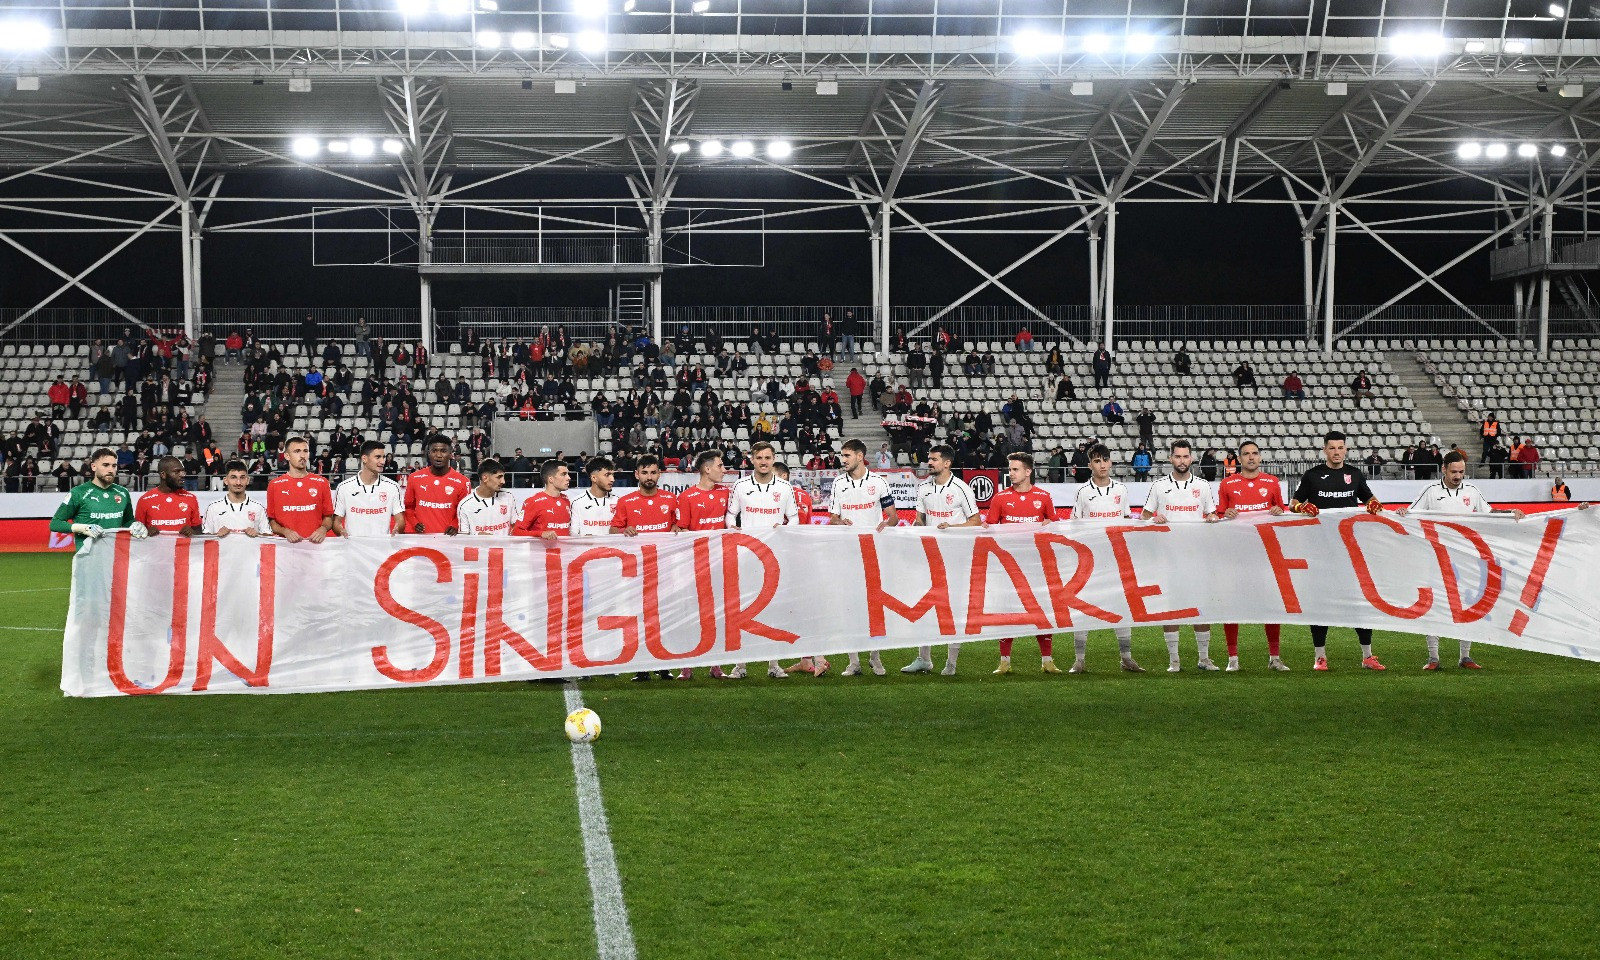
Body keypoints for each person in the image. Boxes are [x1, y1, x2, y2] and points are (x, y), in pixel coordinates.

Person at [1397, 451, 1525, 670]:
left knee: (1468, 603)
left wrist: (1509, 512)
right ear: (1444, 469)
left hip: (1465, 558)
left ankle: (1465, 656)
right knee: (1435, 604)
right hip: (1436, 557)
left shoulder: (1472, 491)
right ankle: (1433, 658)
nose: (1458, 476)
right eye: (1454, 471)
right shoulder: (1430, 491)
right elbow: (1410, 515)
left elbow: (1489, 512)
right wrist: (1401, 513)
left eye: (1462, 472)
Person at [1289, 430, 1387, 671]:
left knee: (1358, 602)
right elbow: (1292, 504)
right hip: (1320, 551)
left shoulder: (1354, 475)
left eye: (1340, 448)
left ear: (1346, 450)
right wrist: (1303, 506)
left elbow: (1371, 500)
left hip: (1349, 551)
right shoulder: (1312, 476)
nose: (1336, 452)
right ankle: (1320, 657)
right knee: (1320, 604)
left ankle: (1367, 656)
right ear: (1324, 450)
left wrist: (1374, 504)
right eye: (1331, 448)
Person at [902, 445, 981, 676]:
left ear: (946, 463)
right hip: (929, 556)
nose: (930, 462)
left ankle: (951, 662)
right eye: (929, 458)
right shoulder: (924, 487)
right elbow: (919, 519)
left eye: (934, 459)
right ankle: (923, 659)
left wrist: (952, 527)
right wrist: (911, 532)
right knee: (926, 606)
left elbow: (976, 521)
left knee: (953, 608)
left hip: (955, 556)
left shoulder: (961, 488)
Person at [1142, 439, 1219, 672]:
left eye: (1186, 456)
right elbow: (1143, 517)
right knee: (1172, 607)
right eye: (1177, 456)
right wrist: (1152, 519)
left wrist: (1213, 519)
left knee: (1200, 606)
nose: (1182, 461)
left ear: (1192, 458)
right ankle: (1174, 660)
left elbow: (1212, 515)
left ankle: (1204, 658)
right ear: (1170, 459)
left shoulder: (1203, 486)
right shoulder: (1158, 486)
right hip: (1168, 558)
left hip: (1197, 557)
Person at [724, 442, 799, 680]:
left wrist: (785, 529)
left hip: (774, 556)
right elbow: (729, 515)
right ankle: (741, 665)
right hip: (746, 556)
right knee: (742, 608)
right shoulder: (740, 485)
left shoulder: (786, 488)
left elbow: (794, 518)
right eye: (759, 457)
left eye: (768, 457)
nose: (764, 461)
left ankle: (773, 664)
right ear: (751, 460)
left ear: (774, 458)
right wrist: (732, 527)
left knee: (773, 610)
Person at [981, 452, 1060, 674]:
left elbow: (1055, 525)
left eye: (1015, 469)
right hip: (1009, 566)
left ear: (1028, 471)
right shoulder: (1000, 498)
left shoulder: (1043, 496)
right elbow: (990, 528)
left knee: (1042, 611)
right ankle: (1004, 661)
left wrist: (1049, 524)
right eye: (1010, 469)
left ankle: (1047, 660)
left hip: (1036, 564)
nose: (1011, 473)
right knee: (1008, 611)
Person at [1215, 440, 1290, 672]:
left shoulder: (1272, 482)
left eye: (1254, 453)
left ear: (1260, 457)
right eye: (1246, 454)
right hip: (1236, 554)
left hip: (1265, 553)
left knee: (1271, 603)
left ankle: (1274, 658)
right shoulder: (1227, 484)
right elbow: (1218, 516)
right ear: (1239, 458)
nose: (1251, 457)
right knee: (1232, 604)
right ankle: (1233, 659)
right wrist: (1224, 514)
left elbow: (1282, 512)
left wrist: (1279, 511)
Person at [1068, 444, 1141, 673]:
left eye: (1105, 460)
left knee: (1121, 605)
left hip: (1116, 557)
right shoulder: (1083, 492)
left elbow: (1127, 519)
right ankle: (1079, 660)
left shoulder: (1121, 490)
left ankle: (1126, 658)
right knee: (1083, 607)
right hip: (1090, 560)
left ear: (1110, 463)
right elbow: (1074, 524)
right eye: (1097, 461)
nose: (1102, 465)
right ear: (1090, 465)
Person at [830, 438, 900, 677]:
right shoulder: (838, 483)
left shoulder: (879, 483)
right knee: (849, 604)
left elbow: (893, 516)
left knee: (874, 606)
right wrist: (841, 521)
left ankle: (875, 657)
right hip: (847, 552)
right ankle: (853, 661)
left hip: (873, 552)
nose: (843, 460)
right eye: (842, 456)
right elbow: (832, 518)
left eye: (847, 455)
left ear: (860, 456)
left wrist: (885, 523)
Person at [673, 450, 733, 680]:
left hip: (720, 562)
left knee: (717, 614)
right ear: (707, 469)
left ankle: (715, 665)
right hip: (694, 565)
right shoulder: (687, 497)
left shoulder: (725, 494)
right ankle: (686, 666)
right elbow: (684, 529)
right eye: (720, 465)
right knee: (690, 614)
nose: (724, 469)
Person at [49, 448, 134, 550]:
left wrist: (135, 525)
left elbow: (127, 521)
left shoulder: (123, 492)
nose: (111, 470)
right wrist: (82, 528)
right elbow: (55, 523)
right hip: (88, 560)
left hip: (115, 557)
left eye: (114, 466)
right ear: (93, 466)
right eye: (105, 465)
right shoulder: (78, 493)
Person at [267, 436, 334, 543]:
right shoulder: (274, 485)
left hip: (315, 547)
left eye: (305, 451)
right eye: (297, 451)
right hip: (286, 548)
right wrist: (285, 531)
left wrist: (323, 529)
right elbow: (272, 521)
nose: (302, 455)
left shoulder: (322, 482)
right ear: (287, 456)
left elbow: (328, 517)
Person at [333, 441, 405, 538]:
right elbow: (336, 521)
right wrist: (342, 532)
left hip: (382, 548)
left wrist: (397, 529)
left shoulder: (393, 486)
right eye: (378, 457)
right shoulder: (344, 487)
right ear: (364, 458)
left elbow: (400, 519)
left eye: (383, 457)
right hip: (353, 549)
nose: (383, 461)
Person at [404, 433, 469, 535]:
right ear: (429, 453)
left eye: (443, 451)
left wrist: (456, 524)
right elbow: (408, 507)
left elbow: (466, 511)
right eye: (434, 451)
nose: (438, 455)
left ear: (451, 454)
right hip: (421, 539)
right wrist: (414, 522)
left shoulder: (463, 482)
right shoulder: (414, 478)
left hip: (449, 541)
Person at [134, 456, 202, 536]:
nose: (182, 475)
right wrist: (146, 532)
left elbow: (198, 530)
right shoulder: (145, 500)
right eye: (177, 472)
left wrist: (192, 531)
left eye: (183, 471)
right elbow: (136, 533)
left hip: (182, 548)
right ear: (163, 474)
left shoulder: (191, 498)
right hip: (154, 548)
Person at [201, 460, 271, 536]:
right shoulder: (213, 507)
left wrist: (257, 534)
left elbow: (268, 536)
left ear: (248, 480)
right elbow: (205, 538)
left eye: (242, 478)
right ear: (226, 480)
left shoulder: (258, 507)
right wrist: (216, 534)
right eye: (233, 477)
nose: (238, 482)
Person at [512, 460, 572, 538]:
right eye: (563, 474)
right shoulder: (534, 502)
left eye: (567, 474)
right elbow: (516, 532)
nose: (569, 478)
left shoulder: (566, 500)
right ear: (551, 479)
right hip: (542, 550)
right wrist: (540, 534)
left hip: (565, 550)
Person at [455, 458, 516, 536]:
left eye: (503, 477)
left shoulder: (508, 497)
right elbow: (463, 538)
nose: (503, 481)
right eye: (499, 477)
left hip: (504, 548)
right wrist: (477, 536)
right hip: (480, 548)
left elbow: (516, 526)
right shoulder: (465, 505)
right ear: (485, 478)